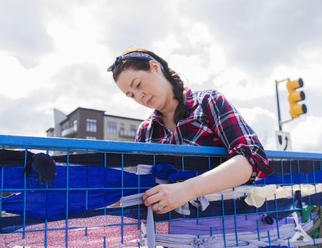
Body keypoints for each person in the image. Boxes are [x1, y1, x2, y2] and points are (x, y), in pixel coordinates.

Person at [107, 49, 273, 214]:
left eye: (138, 84)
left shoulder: (209, 102)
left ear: (155, 67)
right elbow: (139, 184)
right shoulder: (146, 131)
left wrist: (188, 189)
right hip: (170, 234)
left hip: (225, 225)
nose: (139, 96)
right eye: (131, 95)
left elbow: (252, 160)